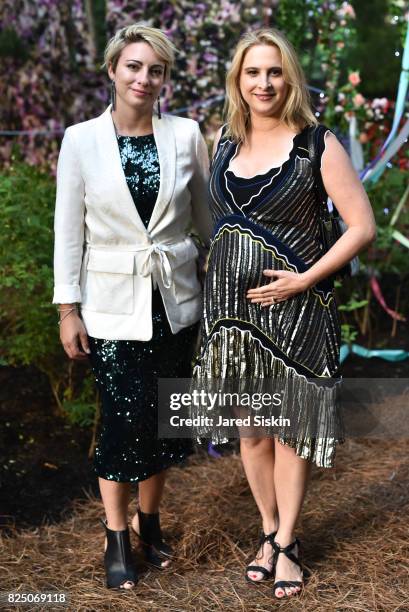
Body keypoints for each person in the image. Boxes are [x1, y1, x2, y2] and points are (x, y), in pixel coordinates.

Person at [193, 28, 376, 599]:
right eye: (252, 73)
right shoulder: (220, 139)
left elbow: (362, 226)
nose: (263, 83)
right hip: (232, 317)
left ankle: (290, 542)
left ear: (289, 77)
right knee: (252, 433)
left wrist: (305, 278)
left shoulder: (317, 144)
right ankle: (269, 533)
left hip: (298, 311)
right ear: (238, 80)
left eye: (274, 72)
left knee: (292, 432)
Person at [53, 24, 212, 590]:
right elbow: (67, 233)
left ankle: (150, 521)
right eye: (134, 67)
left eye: (156, 70)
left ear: (166, 78)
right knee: (124, 420)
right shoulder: (80, 140)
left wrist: (219, 286)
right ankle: (116, 535)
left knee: (164, 424)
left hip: (175, 304)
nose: (145, 79)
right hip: (111, 305)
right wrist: (67, 308)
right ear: (113, 70)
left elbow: (207, 221)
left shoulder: (187, 134)